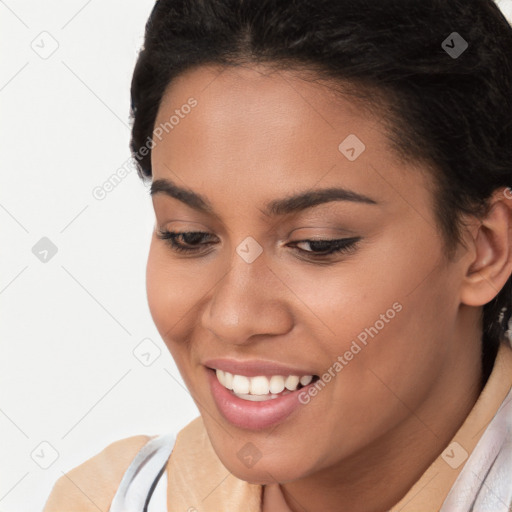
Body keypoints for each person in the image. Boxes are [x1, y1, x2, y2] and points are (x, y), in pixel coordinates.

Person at [43, 0, 512, 510]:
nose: (234, 317)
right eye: (188, 236)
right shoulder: (107, 499)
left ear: (485, 249)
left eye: (316, 244)